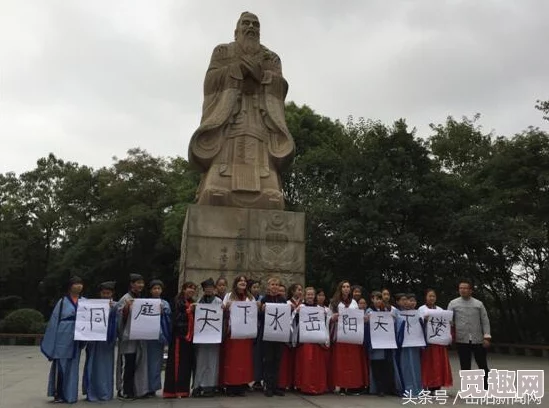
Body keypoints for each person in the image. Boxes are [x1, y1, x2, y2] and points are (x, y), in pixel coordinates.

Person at [188, 11, 295, 209]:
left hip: (259, 117)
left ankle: (267, 185)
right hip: (229, 117)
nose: (251, 27)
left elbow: (281, 86)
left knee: (271, 193)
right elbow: (210, 82)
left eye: (256, 25)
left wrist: (262, 76)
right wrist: (236, 70)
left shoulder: (271, 58)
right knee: (215, 191)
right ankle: (218, 181)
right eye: (246, 23)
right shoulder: (223, 52)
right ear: (236, 30)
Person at [41, 276, 86, 404]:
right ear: (70, 286)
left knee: (73, 366)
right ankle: (59, 394)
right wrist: (51, 343)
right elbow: (54, 322)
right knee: (61, 365)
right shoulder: (62, 302)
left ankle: (70, 394)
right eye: (76, 283)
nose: (78, 286)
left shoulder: (85, 301)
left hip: (77, 335)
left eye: (80, 283)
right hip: (63, 335)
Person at [448, 279, 491, 390]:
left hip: (478, 338)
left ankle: (486, 385)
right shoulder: (453, 303)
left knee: (482, 363)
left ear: (471, 290)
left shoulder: (478, 304)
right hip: (462, 338)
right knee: (465, 364)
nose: (462, 290)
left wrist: (487, 336)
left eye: (465, 288)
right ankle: (467, 387)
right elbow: (448, 321)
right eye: (460, 288)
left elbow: (485, 320)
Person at [329, 280, 368, 395]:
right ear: (340, 289)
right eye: (344, 287)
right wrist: (332, 318)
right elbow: (328, 317)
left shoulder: (354, 303)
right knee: (341, 362)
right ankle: (341, 386)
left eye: (348, 287)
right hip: (340, 336)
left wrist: (363, 318)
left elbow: (357, 318)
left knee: (352, 362)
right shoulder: (334, 303)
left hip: (352, 337)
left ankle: (351, 386)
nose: (346, 288)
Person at [82, 281, 117, 402]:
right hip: (94, 340)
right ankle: (92, 392)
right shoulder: (93, 304)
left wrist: (114, 310)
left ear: (112, 293)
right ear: (100, 293)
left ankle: (105, 392)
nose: (106, 295)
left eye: (108, 293)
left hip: (107, 342)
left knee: (106, 368)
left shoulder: (116, 306)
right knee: (92, 366)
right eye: (104, 293)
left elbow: (121, 321)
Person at [116, 273, 148, 400]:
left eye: (142, 283)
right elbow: (118, 318)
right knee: (127, 364)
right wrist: (126, 309)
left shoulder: (142, 298)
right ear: (132, 284)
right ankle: (124, 390)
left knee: (137, 363)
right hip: (128, 337)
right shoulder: (125, 298)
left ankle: (136, 390)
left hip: (139, 337)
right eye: (137, 282)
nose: (140, 285)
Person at [222, 275, 255, 396]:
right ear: (235, 283)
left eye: (245, 281)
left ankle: (241, 385)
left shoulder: (250, 297)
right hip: (233, 333)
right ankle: (231, 386)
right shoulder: (229, 296)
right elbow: (223, 309)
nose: (243, 282)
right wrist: (226, 307)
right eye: (240, 281)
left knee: (244, 361)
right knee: (232, 360)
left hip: (245, 334)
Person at [163, 281, 196, 398]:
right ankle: (172, 391)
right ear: (183, 289)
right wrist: (188, 312)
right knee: (176, 364)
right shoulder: (177, 301)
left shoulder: (193, 302)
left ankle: (183, 390)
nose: (191, 290)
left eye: (193, 289)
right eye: (189, 288)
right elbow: (175, 319)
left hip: (189, 338)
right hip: (179, 337)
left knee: (186, 365)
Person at [294, 287, 328, 395]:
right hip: (305, 340)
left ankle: (318, 386)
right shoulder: (301, 307)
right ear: (304, 295)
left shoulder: (320, 308)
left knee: (316, 365)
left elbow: (324, 323)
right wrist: (297, 313)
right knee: (306, 365)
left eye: (312, 294)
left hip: (317, 341)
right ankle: (303, 386)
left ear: (315, 296)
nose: (310, 296)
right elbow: (294, 322)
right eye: (308, 294)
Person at [418, 289, 452, 393]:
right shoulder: (421, 309)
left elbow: (446, 324)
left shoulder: (440, 309)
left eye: (433, 296)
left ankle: (436, 386)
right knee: (428, 364)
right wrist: (424, 319)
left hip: (439, 341)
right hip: (427, 341)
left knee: (438, 364)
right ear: (426, 297)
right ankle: (426, 385)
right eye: (429, 296)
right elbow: (418, 323)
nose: (431, 298)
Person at [193, 278, 223, 397]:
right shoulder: (199, 302)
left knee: (212, 361)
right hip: (202, 336)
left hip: (214, 335)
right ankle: (198, 385)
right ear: (204, 289)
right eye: (207, 288)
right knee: (200, 361)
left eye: (211, 287)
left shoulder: (218, 302)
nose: (209, 290)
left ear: (214, 289)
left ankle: (210, 386)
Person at [260, 277, 287, 397]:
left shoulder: (282, 300)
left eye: (277, 284)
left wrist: (290, 310)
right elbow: (258, 317)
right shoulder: (264, 299)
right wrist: (262, 310)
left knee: (277, 360)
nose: (275, 286)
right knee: (268, 360)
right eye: (272, 284)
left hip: (279, 335)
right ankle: (267, 386)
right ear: (268, 286)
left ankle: (275, 386)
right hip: (267, 335)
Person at [146, 279, 171, 397]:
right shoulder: (145, 302)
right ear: (150, 290)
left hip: (158, 337)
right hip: (146, 337)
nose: (156, 290)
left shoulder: (165, 303)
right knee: (144, 363)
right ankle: (143, 386)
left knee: (156, 363)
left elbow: (169, 319)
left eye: (158, 288)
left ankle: (153, 387)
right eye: (154, 288)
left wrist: (163, 313)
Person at [396, 293, 423, 397]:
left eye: (413, 301)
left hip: (416, 343)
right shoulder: (398, 313)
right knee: (405, 365)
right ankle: (407, 388)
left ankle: (418, 387)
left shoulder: (418, 313)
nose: (410, 303)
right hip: (404, 344)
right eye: (407, 300)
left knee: (416, 366)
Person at [278, 283, 303, 391]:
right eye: (298, 289)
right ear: (292, 291)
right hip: (288, 335)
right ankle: (285, 383)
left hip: (300, 335)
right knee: (286, 361)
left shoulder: (303, 304)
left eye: (301, 290)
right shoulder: (287, 303)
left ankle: (296, 383)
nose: (300, 292)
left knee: (297, 361)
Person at [248, 279, 264, 390]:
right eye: (254, 287)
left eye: (258, 287)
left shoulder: (262, 299)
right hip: (246, 331)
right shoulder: (246, 298)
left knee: (258, 356)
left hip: (258, 330)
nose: (256, 289)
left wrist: (261, 308)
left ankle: (258, 380)